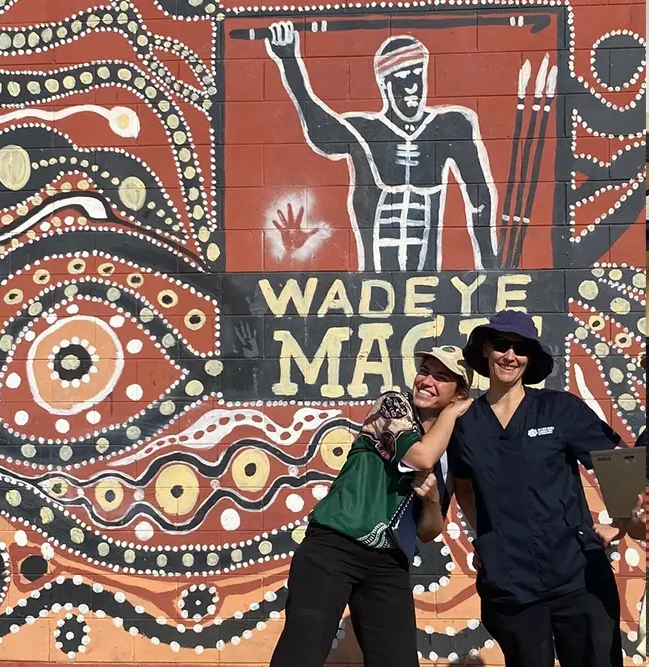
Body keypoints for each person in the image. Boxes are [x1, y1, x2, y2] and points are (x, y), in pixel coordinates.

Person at [269, 346, 474, 667]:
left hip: (388, 563)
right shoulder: (393, 405)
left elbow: (428, 531)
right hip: (333, 547)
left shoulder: (450, 452)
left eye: (442, 377)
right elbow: (420, 456)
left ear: (458, 391)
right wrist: (452, 412)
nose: (427, 381)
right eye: (425, 371)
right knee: (301, 655)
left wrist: (432, 501)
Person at [450, 309, 625, 667]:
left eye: (521, 349)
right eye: (502, 345)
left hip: (578, 578)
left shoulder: (559, 409)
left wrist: (622, 523)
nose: (510, 356)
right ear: (486, 349)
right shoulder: (467, 422)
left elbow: (619, 463)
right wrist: (484, 535)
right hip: (511, 586)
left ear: (530, 359)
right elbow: (463, 486)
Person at [265, 22, 497, 272]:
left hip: (427, 283)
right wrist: (289, 61)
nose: (412, 87)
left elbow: (479, 196)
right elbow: (320, 131)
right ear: (385, 85)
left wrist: (489, 266)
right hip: (375, 285)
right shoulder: (365, 130)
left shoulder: (451, 125)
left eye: (417, 74)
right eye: (401, 79)